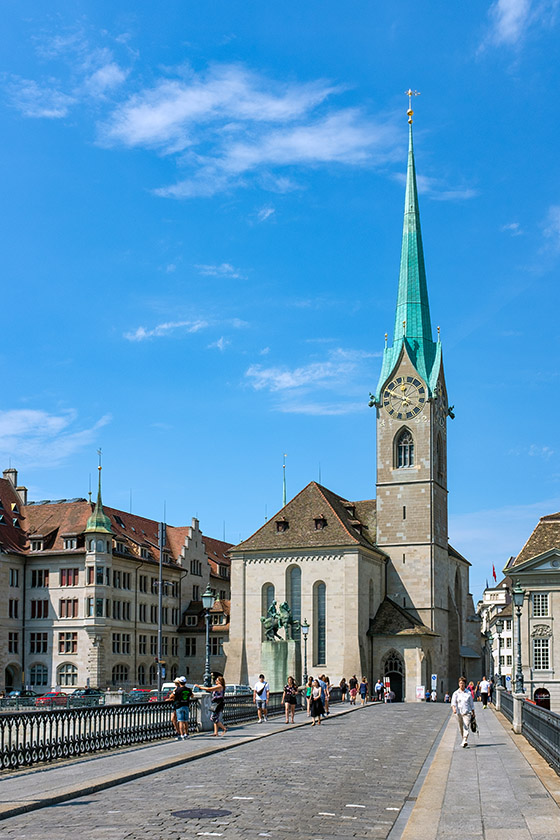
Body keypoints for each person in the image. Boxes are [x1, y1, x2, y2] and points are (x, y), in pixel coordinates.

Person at [451, 676, 475, 748]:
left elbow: (471, 704)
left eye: (463, 683)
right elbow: (453, 703)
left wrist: (473, 713)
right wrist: (454, 709)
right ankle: (463, 739)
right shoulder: (456, 693)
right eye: (460, 683)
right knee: (461, 727)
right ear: (458, 684)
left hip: (467, 712)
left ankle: (465, 739)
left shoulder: (468, 693)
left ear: (465, 684)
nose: (461, 685)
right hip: (458, 713)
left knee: (466, 726)